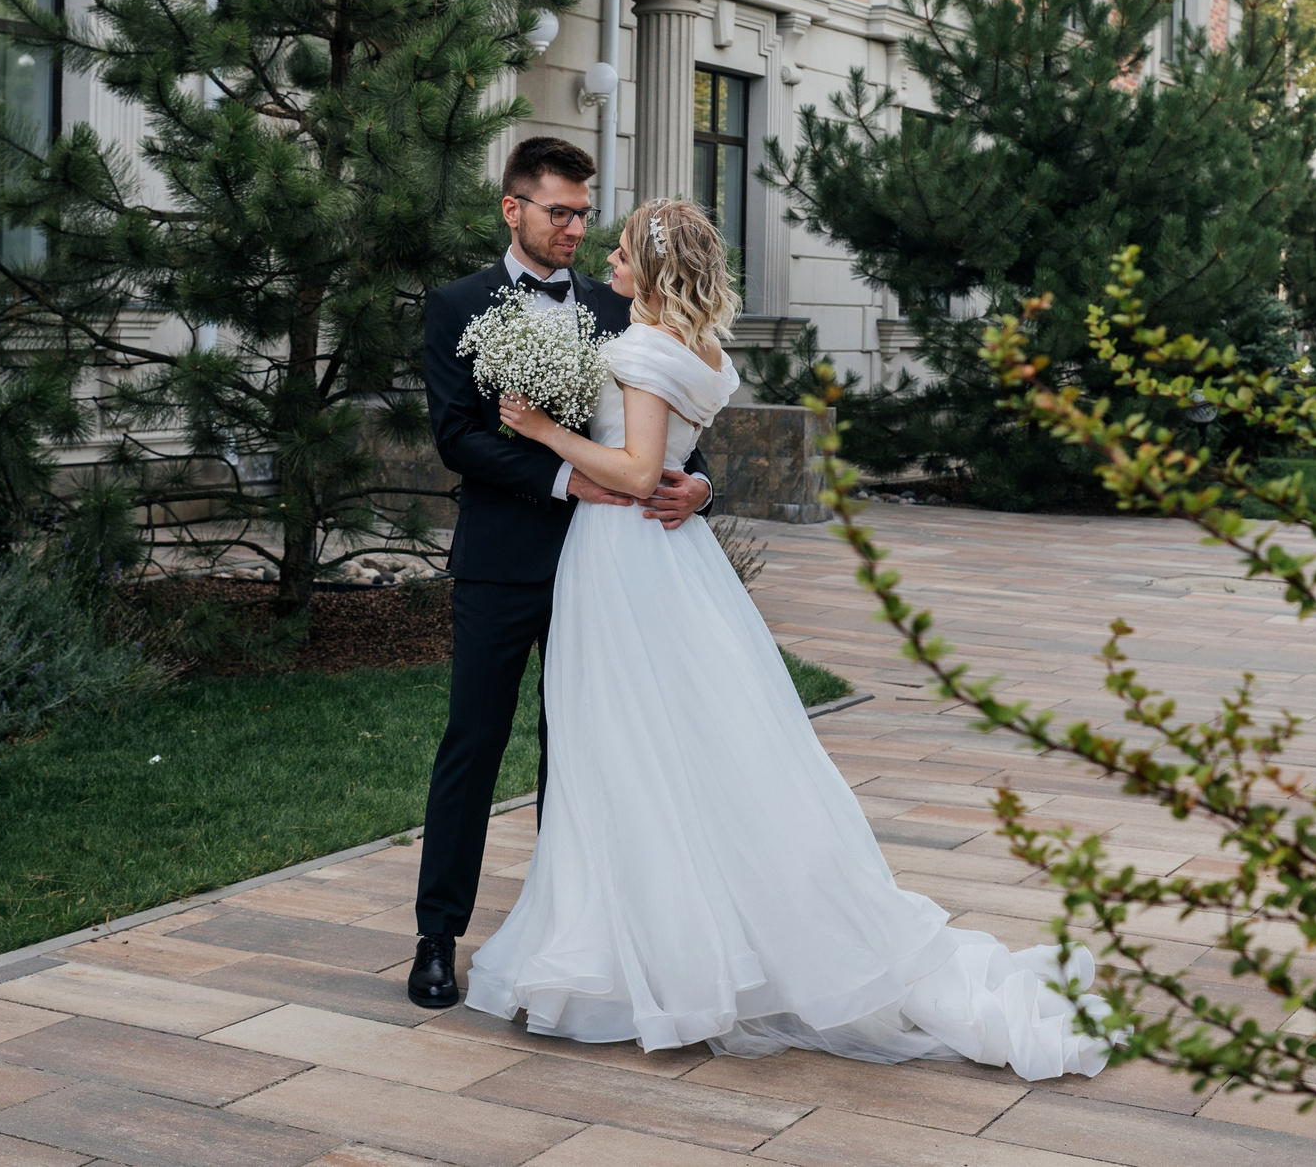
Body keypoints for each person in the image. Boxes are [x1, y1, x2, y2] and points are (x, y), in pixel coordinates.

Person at [470, 196, 1114, 1080]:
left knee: (622, 744)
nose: (609, 263)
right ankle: (652, 938)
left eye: (620, 253)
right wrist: (680, 480)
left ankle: (648, 957)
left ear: (652, 272)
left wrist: (542, 430)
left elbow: (635, 469)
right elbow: (677, 465)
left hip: (624, 558)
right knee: (672, 746)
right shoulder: (704, 353)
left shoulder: (635, 347)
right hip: (673, 560)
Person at [409, 138, 714, 1011]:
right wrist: (558, 475)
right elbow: (457, 436)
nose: (578, 227)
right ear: (514, 209)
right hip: (504, 564)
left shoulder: (619, 305)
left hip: (611, 568)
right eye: (561, 211)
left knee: (582, 751)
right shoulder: (456, 305)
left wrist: (702, 486)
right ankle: (438, 937)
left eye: (585, 212)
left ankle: (570, 935)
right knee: (474, 742)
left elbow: (677, 425)